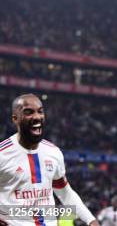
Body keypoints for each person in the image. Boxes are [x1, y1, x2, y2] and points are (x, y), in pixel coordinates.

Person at [0, 94, 99, 226]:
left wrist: (91, 220)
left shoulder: (53, 152)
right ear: (15, 119)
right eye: (28, 112)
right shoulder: (2, 154)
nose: (36, 117)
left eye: (40, 111)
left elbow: (64, 192)